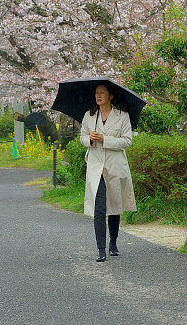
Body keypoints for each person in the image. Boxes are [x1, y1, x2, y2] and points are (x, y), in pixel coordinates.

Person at [80, 83, 137, 262]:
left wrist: (105, 139)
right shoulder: (90, 116)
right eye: (96, 93)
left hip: (115, 166)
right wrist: (89, 139)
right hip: (96, 167)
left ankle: (113, 243)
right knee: (99, 208)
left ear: (110, 96)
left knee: (114, 207)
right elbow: (82, 137)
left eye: (102, 93)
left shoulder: (122, 116)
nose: (98, 96)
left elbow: (127, 141)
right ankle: (101, 249)